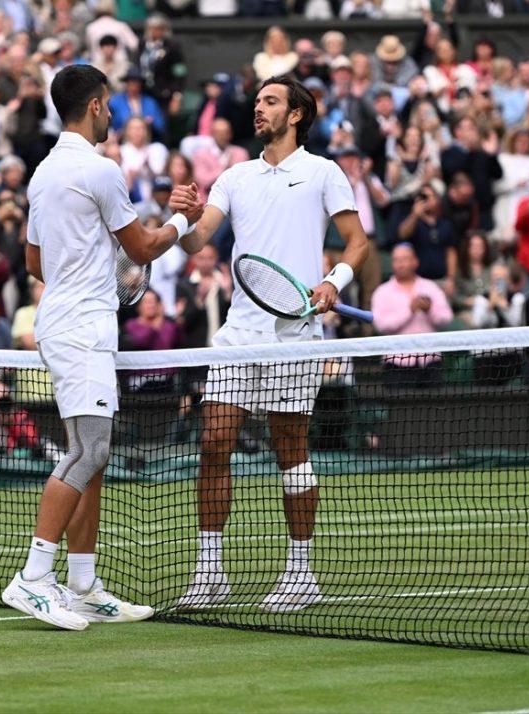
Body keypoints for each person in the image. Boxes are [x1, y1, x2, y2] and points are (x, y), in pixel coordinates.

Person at [1, 65, 200, 630]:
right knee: (87, 452)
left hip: (66, 319)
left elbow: (35, 262)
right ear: (93, 107)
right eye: (108, 105)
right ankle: (34, 577)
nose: (112, 114)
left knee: (95, 457)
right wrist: (182, 223)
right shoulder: (101, 169)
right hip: (82, 329)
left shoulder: (42, 175)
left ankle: (83, 583)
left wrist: (92, 271)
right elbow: (141, 247)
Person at [168, 75, 369, 613]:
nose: (259, 109)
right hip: (239, 332)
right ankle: (211, 573)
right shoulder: (234, 176)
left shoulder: (323, 172)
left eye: (270, 102)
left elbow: (357, 242)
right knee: (213, 442)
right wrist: (184, 217)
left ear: (297, 114)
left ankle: (301, 574)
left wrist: (334, 283)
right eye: (257, 101)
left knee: (291, 455)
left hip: (295, 334)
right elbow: (198, 241)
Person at [371, 243, 453, 387]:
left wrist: (430, 310)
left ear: (415, 261)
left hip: (430, 362)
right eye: (397, 260)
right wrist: (410, 310)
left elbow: (446, 318)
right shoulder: (381, 292)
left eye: (405, 259)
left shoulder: (431, 287)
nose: (401, 264)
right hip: (396, 365)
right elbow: (381, 325)